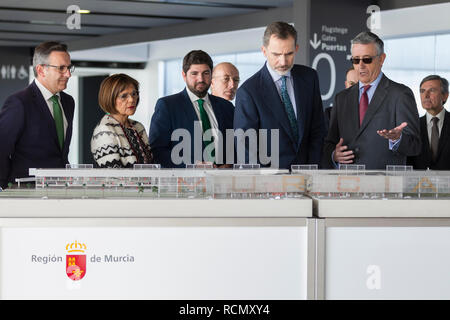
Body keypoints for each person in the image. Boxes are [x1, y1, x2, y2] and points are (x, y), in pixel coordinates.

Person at [322, 31, 421, 169]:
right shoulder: (342, 98)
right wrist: (334, 155)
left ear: (381, 59)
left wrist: (397, 139)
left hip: (385, 186)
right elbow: (329, 142)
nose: (360, 65)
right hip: (348, 184)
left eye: (367, 59)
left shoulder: (400, 94)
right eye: (356, 60)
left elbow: (415, 146)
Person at [234, 21, 325, 169]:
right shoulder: (249, 91)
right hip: (270, 181)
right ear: (264, 51)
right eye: (276, 54)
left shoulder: (309, 78)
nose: (283, 61)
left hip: (308, 175)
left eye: (289, 54)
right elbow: (245, 148)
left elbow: (318, 128)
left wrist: (313, 169)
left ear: (296, 49)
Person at [0, 41, 75, 189]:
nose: (68, 74)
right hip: (25, 191)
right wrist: (6, 188)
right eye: (61, 68)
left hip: (60, 188)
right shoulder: (19, 103)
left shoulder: (68, 102)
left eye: (69, 67)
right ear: (41, 70)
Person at [149, 50, 234, 168]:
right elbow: (157, 151)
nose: (201, 79)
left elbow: (235, 144)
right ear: (184, 75)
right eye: (194, 74)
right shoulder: (168, 106)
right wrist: (192, 166)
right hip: (186, 182)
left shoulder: (226, 107)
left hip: (222, 180)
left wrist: (229, 164)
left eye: (205, 73)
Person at [91, 74, 153, 168]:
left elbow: (152, 165)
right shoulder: (104, 130)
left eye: (134, 94)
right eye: (124, 96)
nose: (132, 99)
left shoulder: (138, 127)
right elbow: (113, 178)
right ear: (110, 98)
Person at [408, 75, 450, 170]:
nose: (426, 96)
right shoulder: (413, 125)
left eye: (432, 90)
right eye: (422, 91)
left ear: (445, 96)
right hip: (419, 183)